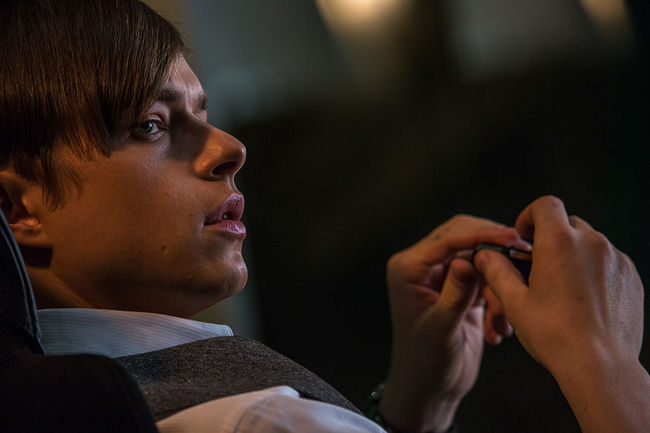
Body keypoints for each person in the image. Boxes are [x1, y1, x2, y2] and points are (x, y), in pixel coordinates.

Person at [0, 1, 647, 432]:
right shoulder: (256, 420)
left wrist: (412, 407)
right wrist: (603, 363)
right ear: (16, 208)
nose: (230, 148)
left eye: (203, 113)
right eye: (152, 124)